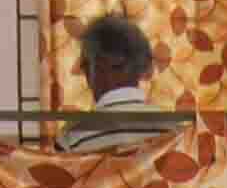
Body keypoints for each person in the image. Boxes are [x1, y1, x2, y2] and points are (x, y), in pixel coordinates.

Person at [57, 12, 164, 151]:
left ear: (93, 70)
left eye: (84, 66)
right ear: (140, 67)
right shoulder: (173, 131)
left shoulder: (71, 138)